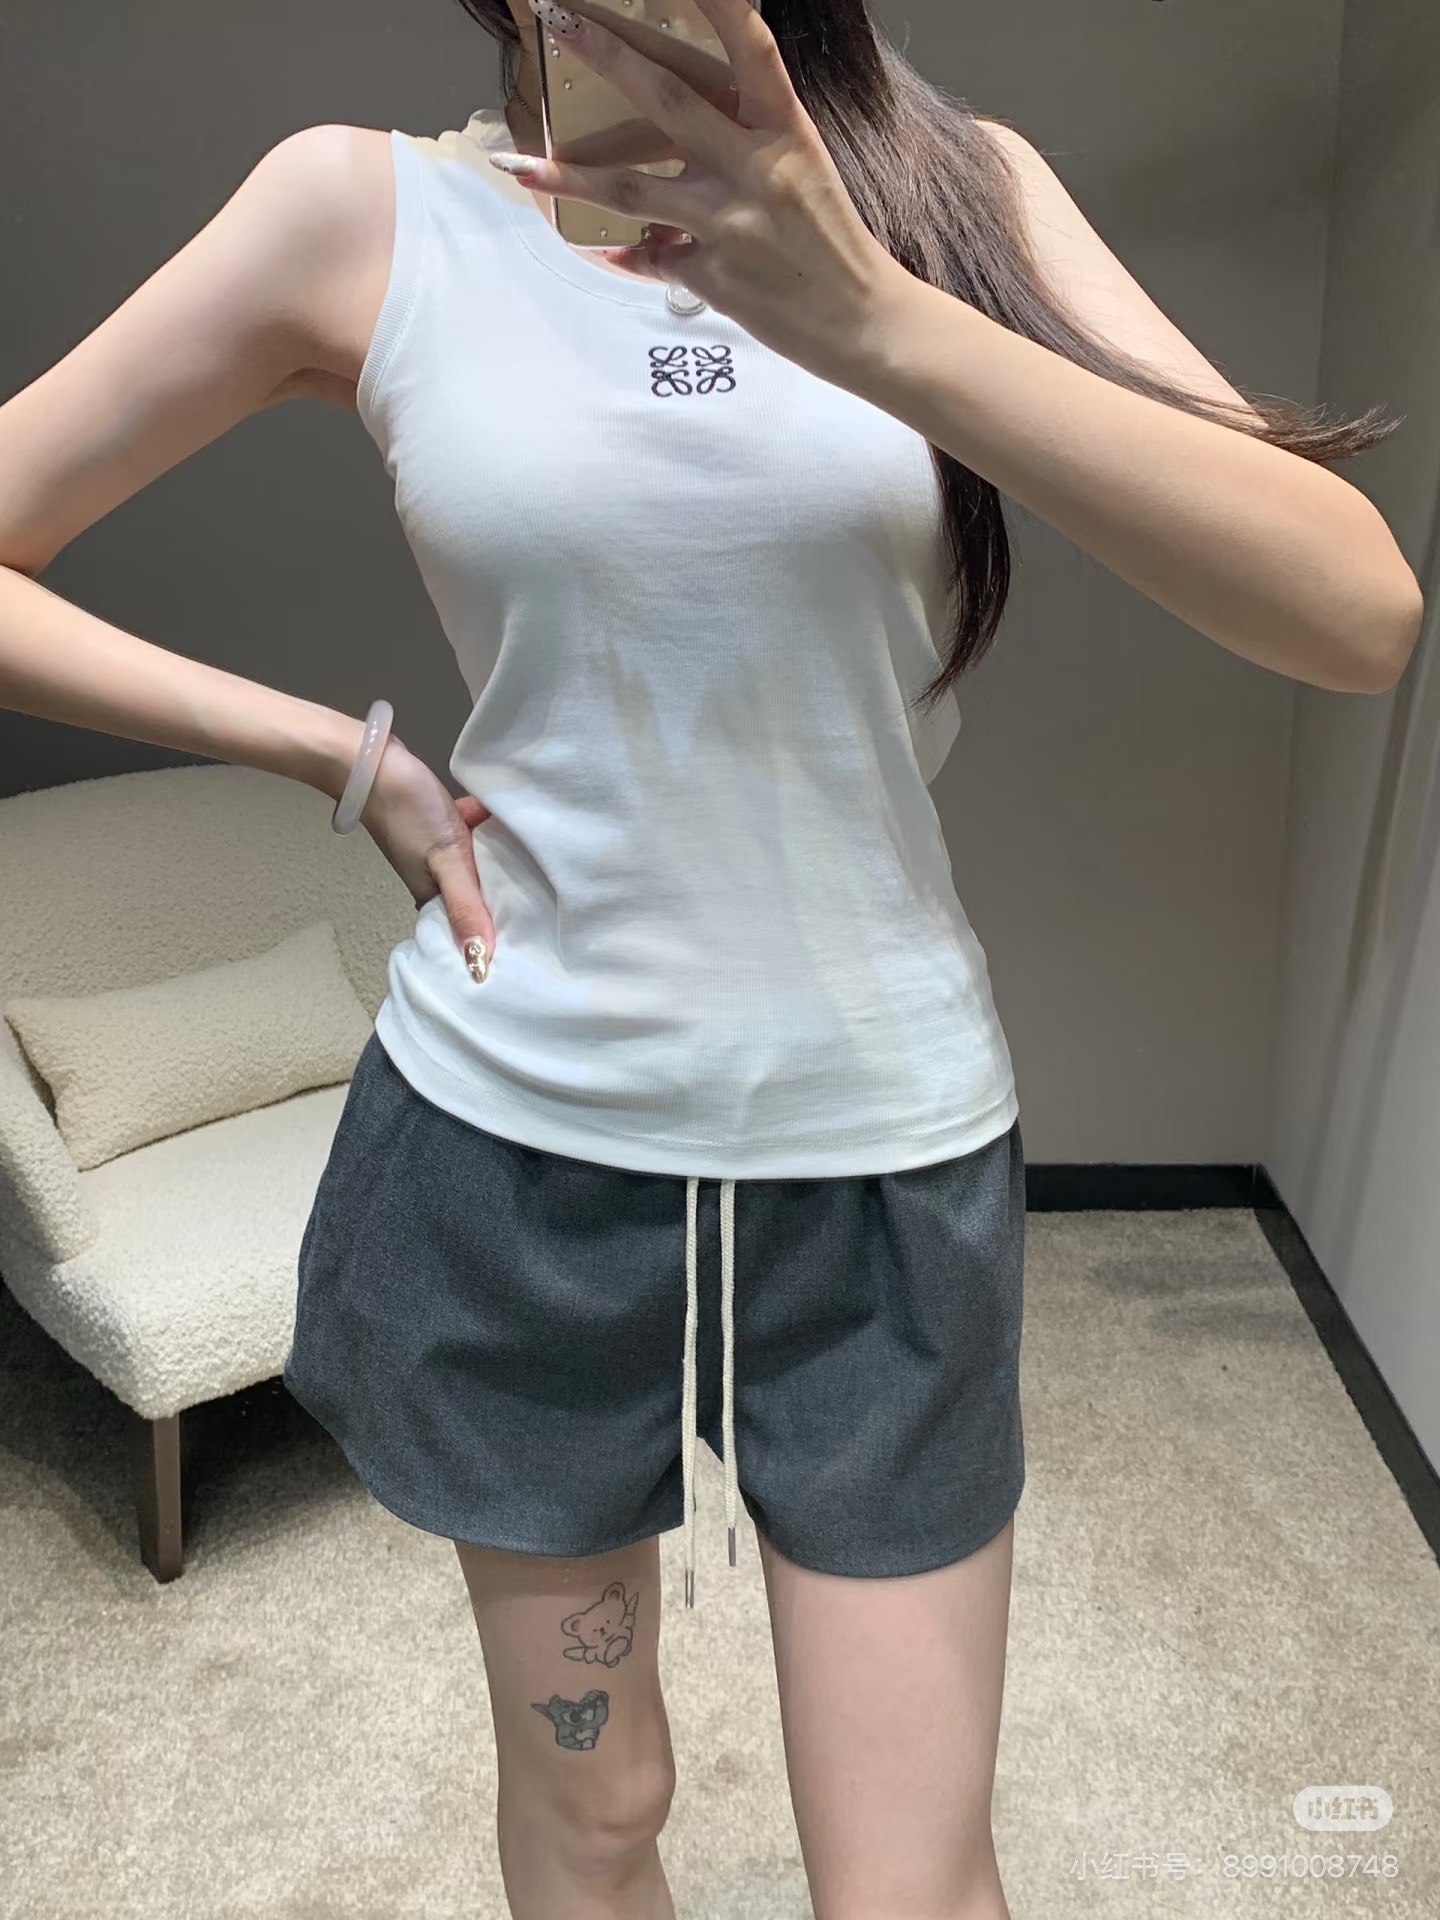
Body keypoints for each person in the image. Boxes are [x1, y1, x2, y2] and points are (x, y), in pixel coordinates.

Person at [0, 1, 1422, 1916]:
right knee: (599, 1805)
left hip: (882, 1159)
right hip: (515, 1160)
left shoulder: (958, 196)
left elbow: (1355, 611)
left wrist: (877, 316)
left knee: (908, 1877)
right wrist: (341, 758)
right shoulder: (362, 214)